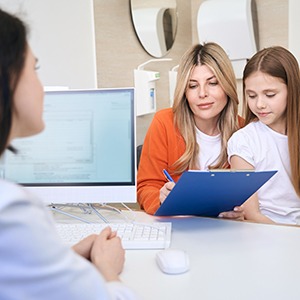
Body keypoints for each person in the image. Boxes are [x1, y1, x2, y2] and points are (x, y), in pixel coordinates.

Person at [0, 9, 137, 299]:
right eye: (34, 70)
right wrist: (107, 269)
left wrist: (66, 256)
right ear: (8, 79)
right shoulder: (11, 211)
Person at [137, 42, 244, 217]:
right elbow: (146, 187)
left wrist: (242, 212)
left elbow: (257, 198)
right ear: (184, 92)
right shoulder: (164, 123)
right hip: (178, 229)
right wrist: (160, 198)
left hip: (226, 232)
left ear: (227, 86)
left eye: (213, 83)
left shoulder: (244, 130)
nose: (202, 93)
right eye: (193, 86)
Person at [227, 46, 300, 225]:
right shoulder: (243, 141)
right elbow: (252, 215)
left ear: (292, 90)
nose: (259, 104)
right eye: (251, 96)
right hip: (266, 232)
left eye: (269, 95)